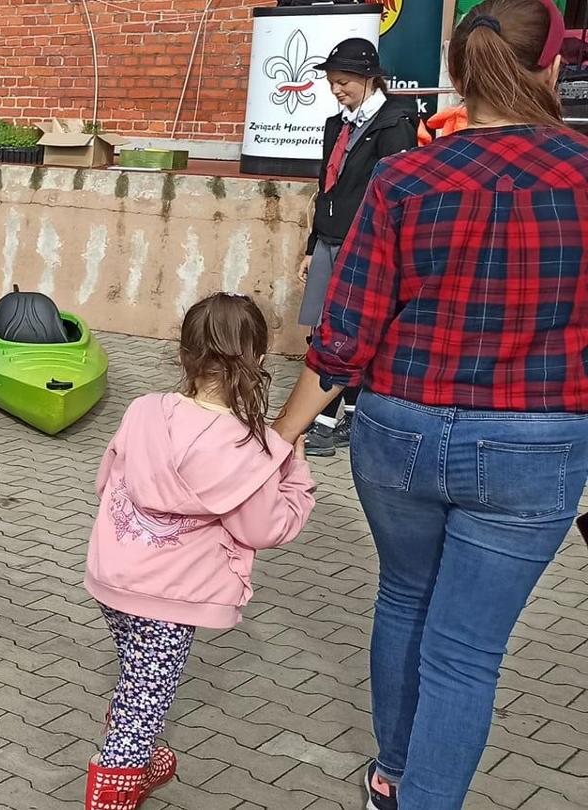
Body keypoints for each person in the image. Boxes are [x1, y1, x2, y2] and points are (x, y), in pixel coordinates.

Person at [272, 1, 588, 807]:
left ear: (458, 73)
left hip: (400, 434)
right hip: (535, 447)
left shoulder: (404, 177)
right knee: (465, 653)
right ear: (551, 68)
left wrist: (280, 434)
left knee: (403, 597)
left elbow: (346, 333)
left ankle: (391, 774)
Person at [83, 293, 316, 810]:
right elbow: (265, 527)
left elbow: (107, 481)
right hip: (172, 597)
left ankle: (140, 748)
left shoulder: (143, 410)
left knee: (138, 675)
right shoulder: (248, 449)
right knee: (142, 699)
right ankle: (118, 782)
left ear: (184, 353)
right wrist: (295, 477)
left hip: (113, 576)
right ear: (257, 359)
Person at [296, 38, 416, 457]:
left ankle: (324, 424)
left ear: (369, 78)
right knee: (321, 329)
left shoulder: (395, 121)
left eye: (343, 81)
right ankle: (346, 414)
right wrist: (312, 246)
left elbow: (396, 194)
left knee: (344, 333)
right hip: (330, 239)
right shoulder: (337, 124)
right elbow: (324, 188)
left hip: (364, 245)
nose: (336, 90)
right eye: (332, 82)